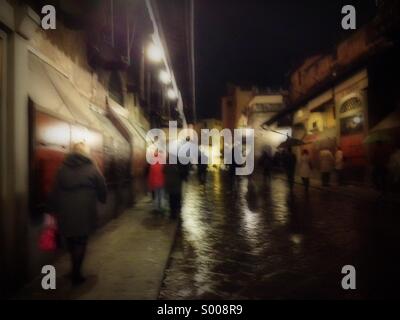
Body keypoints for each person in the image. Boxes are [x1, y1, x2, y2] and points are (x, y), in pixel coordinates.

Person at [50, 142, 107, 285]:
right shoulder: (92, 168)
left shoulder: (62, 168)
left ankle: (73, 270)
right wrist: (102, 198)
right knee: (81, 241)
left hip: (66, 211)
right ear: (85, 152)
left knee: (71, 240)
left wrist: (52, 209)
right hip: (84, 211)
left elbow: (55, 190)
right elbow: (102, 186)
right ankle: (76, 273)